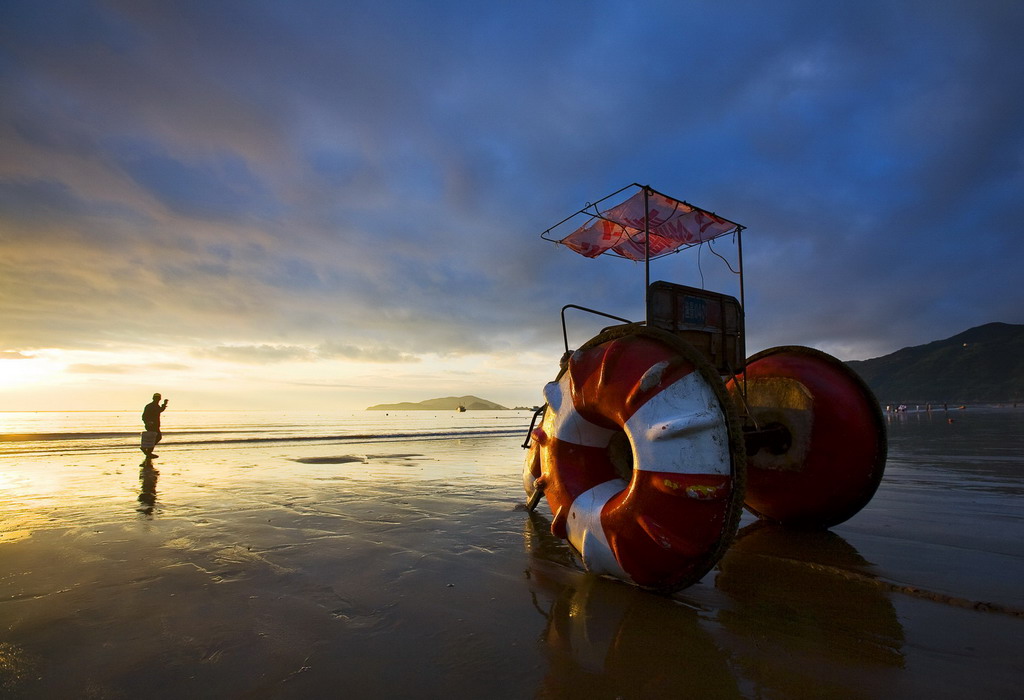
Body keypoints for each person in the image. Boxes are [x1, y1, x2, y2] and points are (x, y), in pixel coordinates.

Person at [142, 393, 168, 457]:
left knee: (153, 438)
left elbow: (160, 410)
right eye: (157, 398)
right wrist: (148, 422)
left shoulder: (156, 406)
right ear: (154, 398)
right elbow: (144, 416)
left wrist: (164, 404)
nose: (158, 399)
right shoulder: (150, 406)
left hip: (155, 425)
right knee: (157, 437)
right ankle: (147, 450)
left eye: (158, 398)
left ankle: (148, 451)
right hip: (151, 425)